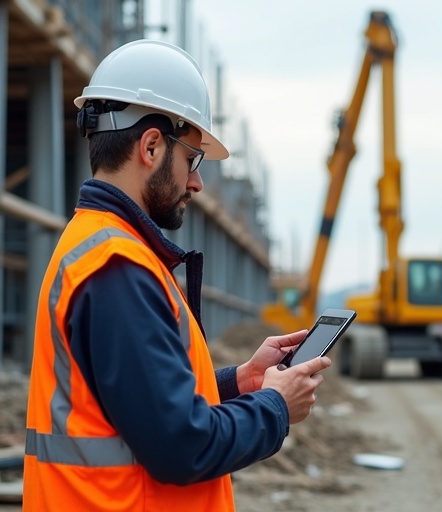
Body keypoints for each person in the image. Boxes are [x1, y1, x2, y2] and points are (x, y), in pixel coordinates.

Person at [22, 39, 331, 511]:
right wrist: (275, 407)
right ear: (150, 146)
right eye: (192, 160)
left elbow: (139, 403)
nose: (196, 182)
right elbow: (181, 446)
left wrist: (240, 381)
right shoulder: (117, 269)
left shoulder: (103, 249)